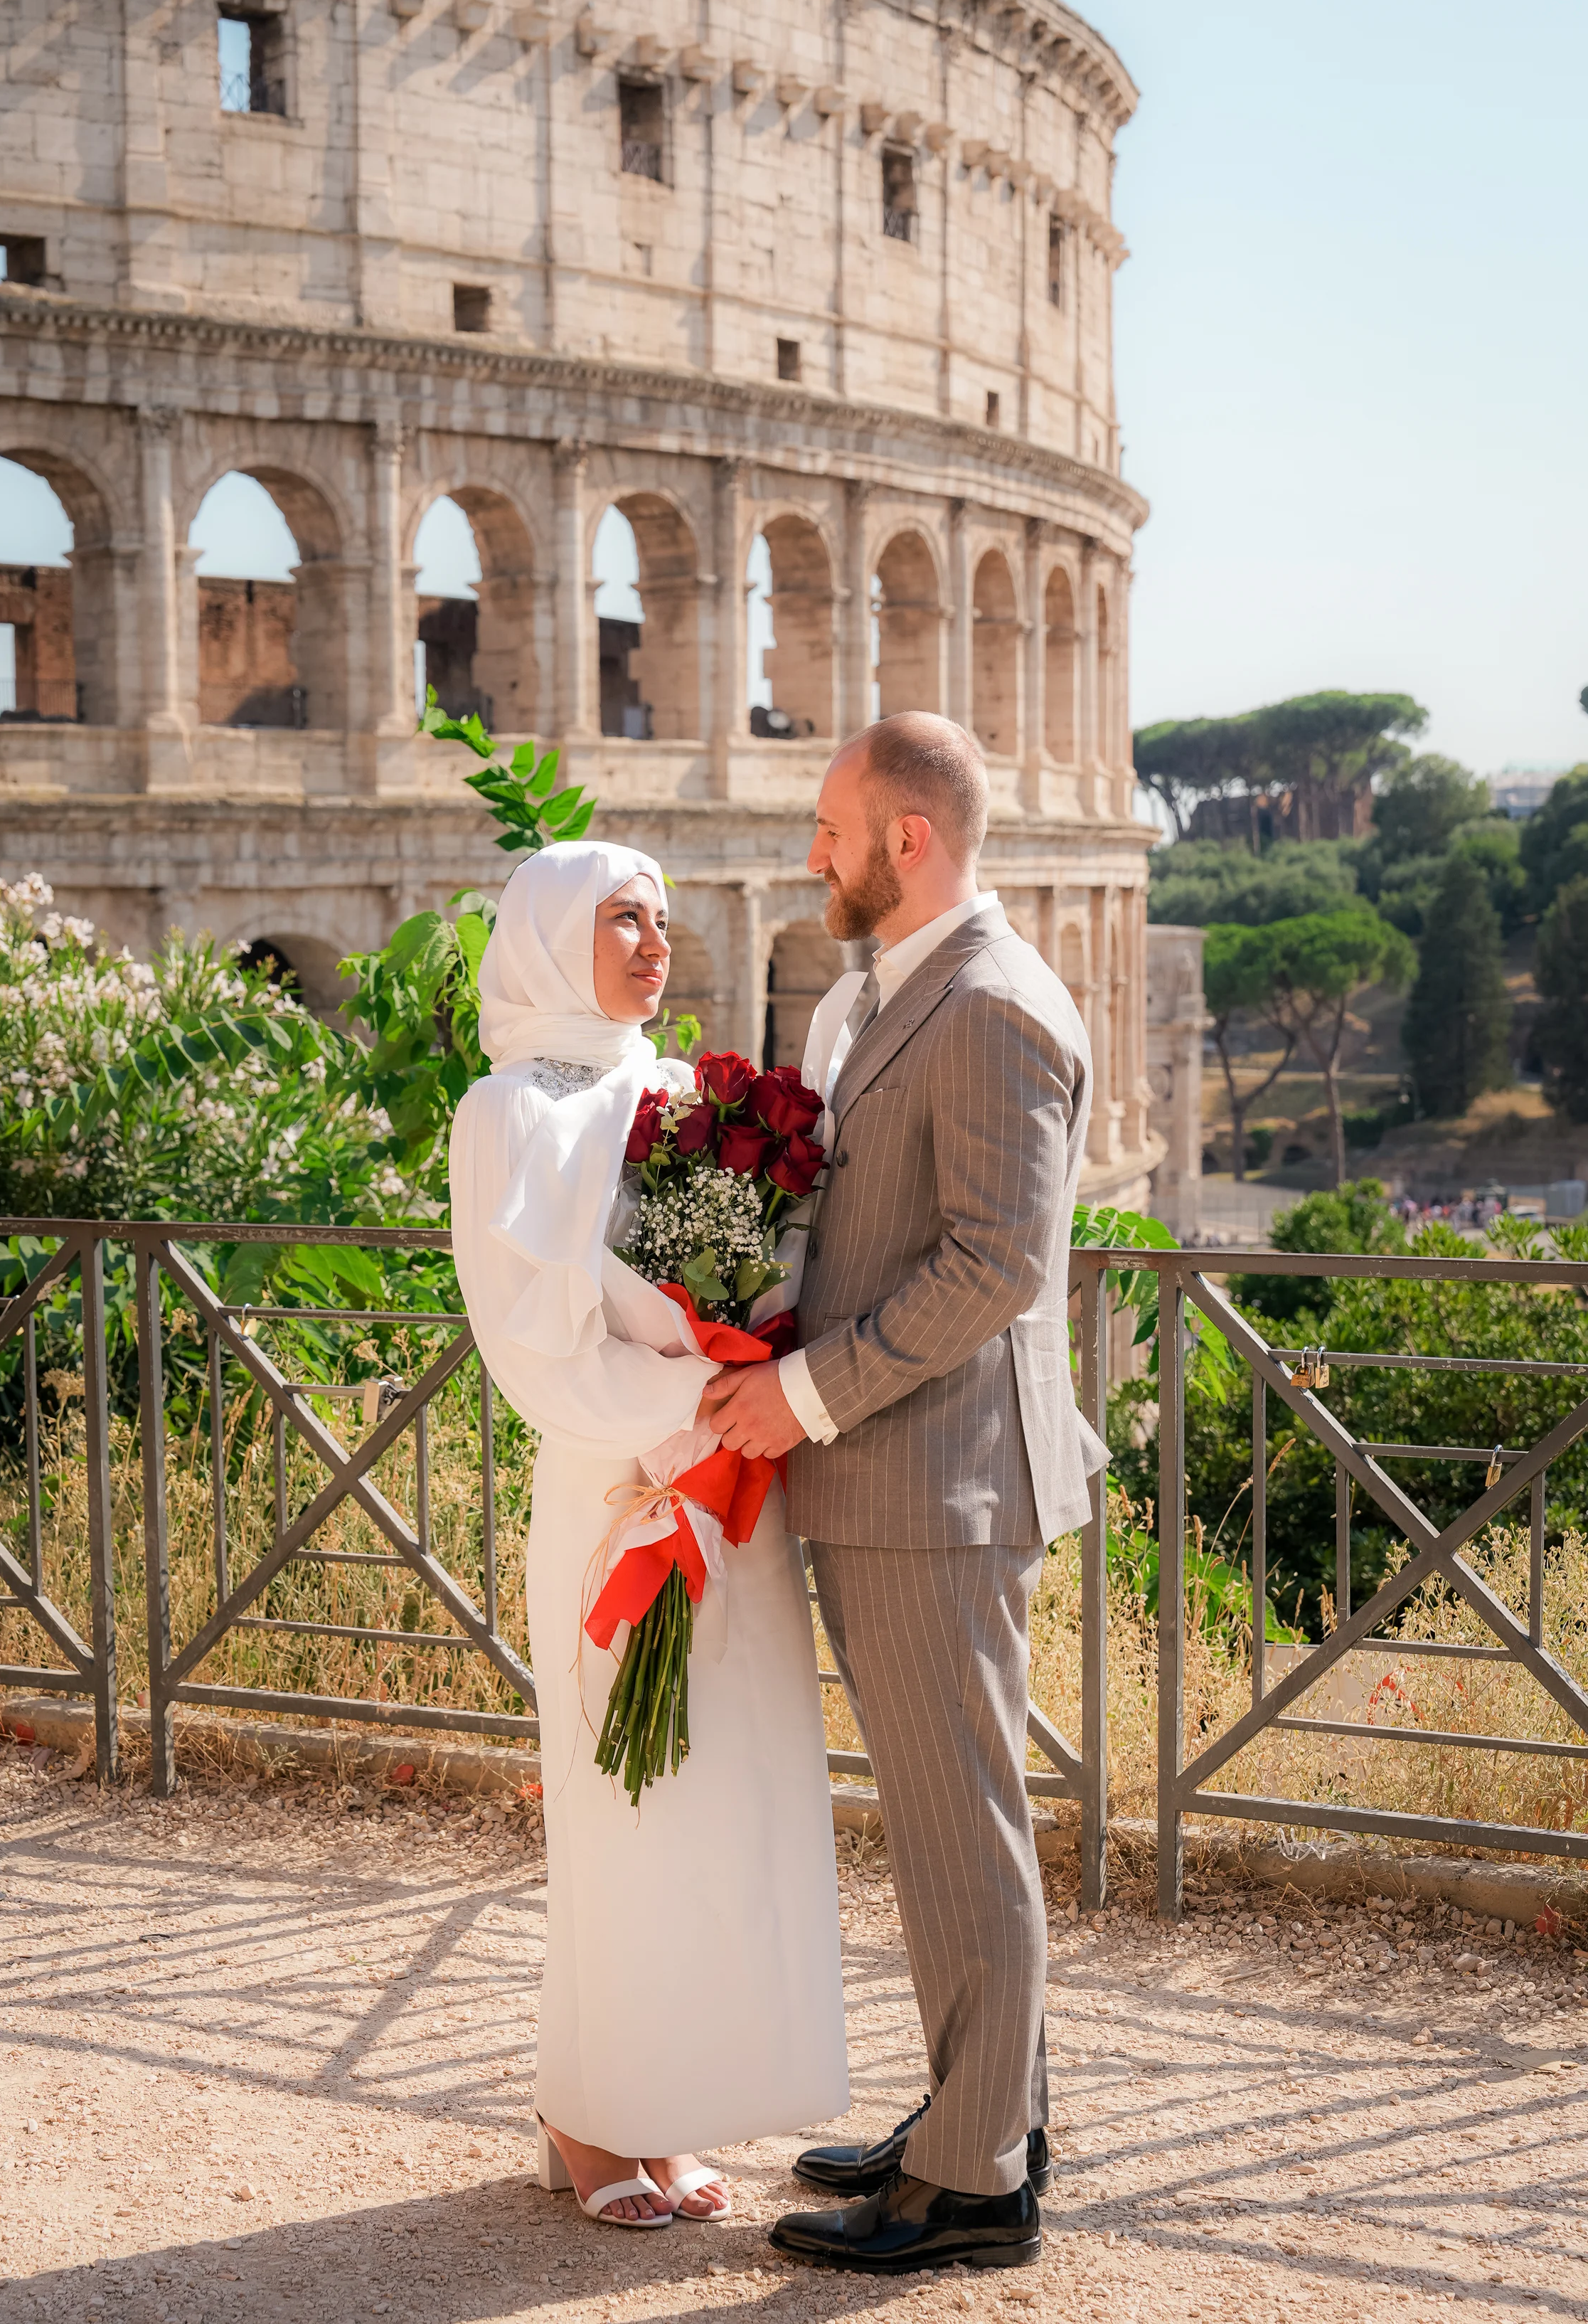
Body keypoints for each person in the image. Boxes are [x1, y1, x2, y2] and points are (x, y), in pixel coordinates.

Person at [703, 713, 1104, 2279]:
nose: (813, 851)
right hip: (895, 1478)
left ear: (906, 840)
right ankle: (975, 2113)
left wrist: (797, 1390)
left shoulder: (992, 1002)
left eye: (827, 825)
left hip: (931, 1481)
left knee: (960, 1830)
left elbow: (993, 1268)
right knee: (947, 1825)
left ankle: (976, 2189)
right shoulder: (907, 985)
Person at [449, 841, 848, 2232]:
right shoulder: (504, 1113)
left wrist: (744, 1387)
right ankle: (585, 2114)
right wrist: (698, 1399)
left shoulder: (679, 1096)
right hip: (621, 1490)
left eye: (662, 919)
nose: (652, 941)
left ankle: (663, 2109)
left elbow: (745, 1276)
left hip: (730, 1493)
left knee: (714, 1804)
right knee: (622, 1808)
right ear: (554, 935)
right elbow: (524, 1344)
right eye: (622, 917)